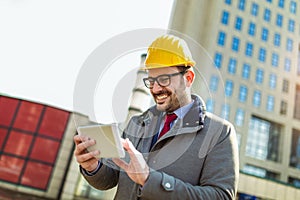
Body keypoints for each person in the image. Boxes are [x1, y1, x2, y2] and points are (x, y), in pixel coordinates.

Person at [74, 34, 239, 199]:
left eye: (164, 79)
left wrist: (149, 179)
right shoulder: (137, 124)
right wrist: (92, 167)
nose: (155, 89)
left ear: (188, 78)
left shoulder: (219, 133)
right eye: (151, 81)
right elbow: (110, 178)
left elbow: (221, 196)